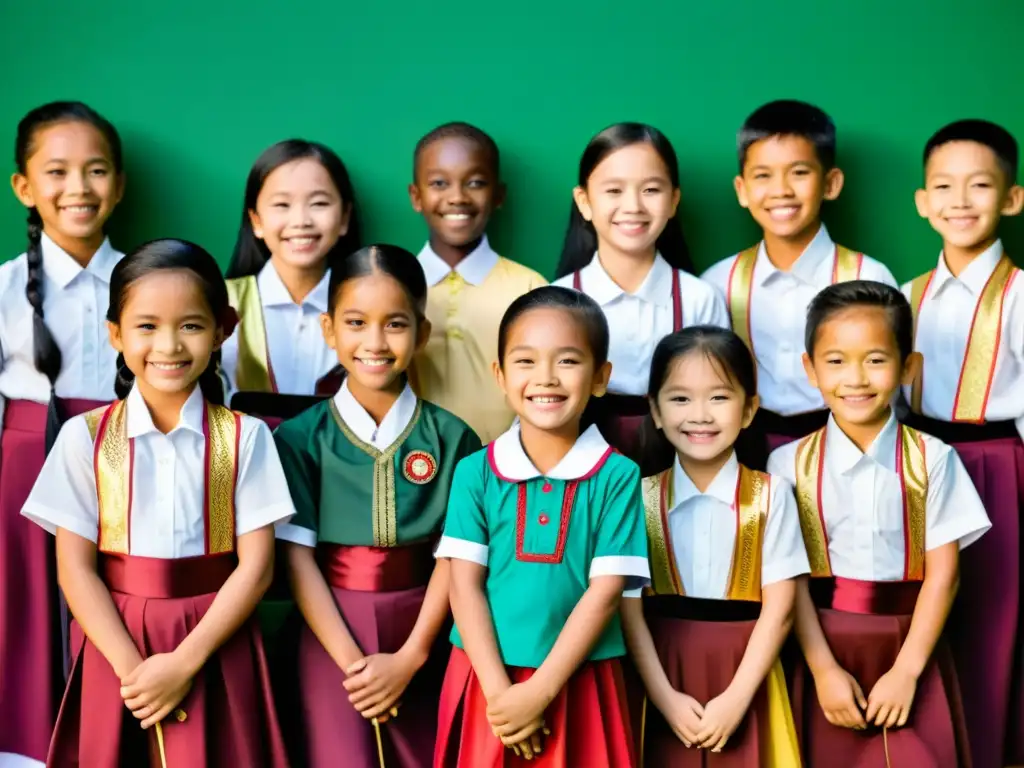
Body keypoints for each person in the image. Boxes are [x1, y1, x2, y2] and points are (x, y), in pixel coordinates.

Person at [21, 239, 293, 767]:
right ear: (115, 334)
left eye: (190, 325)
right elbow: (75, 572)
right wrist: (135, 674)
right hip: (115, 648)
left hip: (217, 642)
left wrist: (183, 664)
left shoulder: (245, 438)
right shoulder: (85, 439)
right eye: (146, 326)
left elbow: (256, 568)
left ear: (223, 330)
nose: (168, 345)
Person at [274, 244, 481, 767]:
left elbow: (456, 557)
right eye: (356, 322)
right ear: (329, 330)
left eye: (395, 324)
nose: (374, 342)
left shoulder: (453, 438)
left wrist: (410, 658)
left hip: (427, 630)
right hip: (328, 635)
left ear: (422, 332)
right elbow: (297, 559)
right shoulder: (300, 438)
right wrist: (352, 665)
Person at [768, 281, 988, 766]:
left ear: (908, 367)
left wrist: (907, 671)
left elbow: (944, 577)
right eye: (836, 361)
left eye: (875, 359)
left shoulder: (934, 459)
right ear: (809, 369)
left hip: (911, 643)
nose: (856, 378)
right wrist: (823, 669)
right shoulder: (786, 465)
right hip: (821, 645)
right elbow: (791, 581)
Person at [434, 286, 650, 767]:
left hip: (580, 680)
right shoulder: (475, 471)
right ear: (500, 375)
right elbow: (463, 585)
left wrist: (540, 692)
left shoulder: (617, 475)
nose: (546, 378)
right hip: (486, 680)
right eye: (526, 361)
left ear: (600, 378)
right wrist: (501, 697)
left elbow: (606, 592)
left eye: (568, 361)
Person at [1, 100, 125, 767]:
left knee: (112, 607)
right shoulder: (1, 288)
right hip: (21, 479)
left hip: (121, 472)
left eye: (96, 170)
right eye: (56, 172)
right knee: (23, 617)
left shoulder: (144, 280)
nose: (78, 188)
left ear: (120, 184)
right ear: (24, 186)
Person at [622, 326, 806, 765]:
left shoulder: (773, 495)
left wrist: (737, 699)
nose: (700, 415)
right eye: (680, 398)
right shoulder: (636, 497)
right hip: (661, 674)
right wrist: (664, 698)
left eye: (719, 398)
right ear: (656, 411)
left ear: (749, 410)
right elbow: (627, 610)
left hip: (748, 675)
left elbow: (780, 610)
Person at [901, 118, 1024, 768]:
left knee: (995, 619)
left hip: (999, 466)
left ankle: (994, 749)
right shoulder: (906, 295)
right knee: (927, 609)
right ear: (922, 202)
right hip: (922, 468)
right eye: (943, 187)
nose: (959, 200)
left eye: (979, 186)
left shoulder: (1022, 294)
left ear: (1012, 198)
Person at [703, 100, 896, 463]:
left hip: (849, 450)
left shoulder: (869, 277)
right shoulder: (717, 284)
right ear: (742, 189)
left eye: (799, 172)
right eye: (763, 175)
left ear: (831, 183)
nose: (781, 190)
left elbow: (890, 385)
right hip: (746, 454)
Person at [553, 123, 728, 468]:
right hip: (581, 474)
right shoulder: (557, 300)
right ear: (584, 202)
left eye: (650, 189)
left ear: (674, 200)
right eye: (614, 191)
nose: (633, 206)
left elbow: (718, 402)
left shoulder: (699, 298)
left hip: (681, 468)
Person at [409, 122, 546, 445]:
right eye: (439, 183)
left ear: (498, 195)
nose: (457, 197)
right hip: (412, 469)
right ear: (416, 196)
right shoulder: (393, 287)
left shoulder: (530, 288)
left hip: (506, 471)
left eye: (475, 183)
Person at [223, 139, 362, 420]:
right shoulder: (219, 303)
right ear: (256, 220)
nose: (301, 220)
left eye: (319, 203)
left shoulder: (368, 308)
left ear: (345, 216)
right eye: (282, 204)